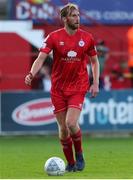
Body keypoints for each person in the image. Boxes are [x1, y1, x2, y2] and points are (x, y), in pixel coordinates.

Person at [25, 3, 100, 172]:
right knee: (63, 129)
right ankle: (71, 163)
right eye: (73, 16)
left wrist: (95, 82)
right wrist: (31, 74)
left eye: (78, 15)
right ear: (65, 19)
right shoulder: (53, 37)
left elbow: (94, 62)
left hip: (78, 86)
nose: (77, 18)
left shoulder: (87, 38)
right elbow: (41, 58)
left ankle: (79, 154)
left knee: (71, 122)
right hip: (58, 88)